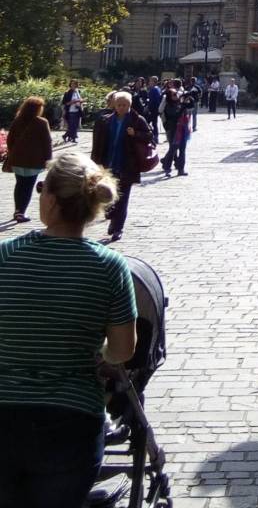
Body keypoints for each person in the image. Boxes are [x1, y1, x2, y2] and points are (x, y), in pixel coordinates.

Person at [0, 150, 137, 508]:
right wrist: (98, 353)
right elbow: (123, 350)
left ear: (50, 199)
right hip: (70, 421)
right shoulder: (110, 266)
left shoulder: (6, 255)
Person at [90, 91, 151, 242]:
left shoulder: (137, 120)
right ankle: (112, 217)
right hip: (107, 166)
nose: (121, 107)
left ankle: (118, 228)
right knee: (106, 197)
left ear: (130, 105)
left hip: (126, 166)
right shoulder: (105, 120)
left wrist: (135, 134)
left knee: (122, 199)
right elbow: (97, 143)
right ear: (114, 105)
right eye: (119, 105)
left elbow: (150, 136)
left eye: (124, 105)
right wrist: (94, 163)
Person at [4, 97, 53, 223]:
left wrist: (14, 152)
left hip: (18, 159)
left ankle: (17, 210)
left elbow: (10, 140)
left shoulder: (17, 121)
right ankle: (21, 212)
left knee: (20, 184)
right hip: (33, 161)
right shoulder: (42, 122)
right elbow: (47, 142)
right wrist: (48, 159)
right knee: (28, 186)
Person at [162, 93, 192, 177]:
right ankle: (167, 168)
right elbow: (175, 116)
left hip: (183, 130)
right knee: (172, 150)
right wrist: (183, 106)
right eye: (174, 95)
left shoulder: (180, 104)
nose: (176, 96)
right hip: (174, 131)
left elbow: (191, 105)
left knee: (182, 150)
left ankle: (181, 169)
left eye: (177, 94)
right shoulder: (169, 106)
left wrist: (189, 97)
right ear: (170, 97)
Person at [146, 75, 163, 144]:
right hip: (156, 109)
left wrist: (148, 108)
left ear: (153, 81)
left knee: (147, 122)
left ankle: (152, 136)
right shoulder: (158, 88)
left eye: (150, 81)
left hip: (153, 109)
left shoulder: (153, 89)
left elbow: (152, 101)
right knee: (154, 123)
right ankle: (155, 137)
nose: (149, 82)